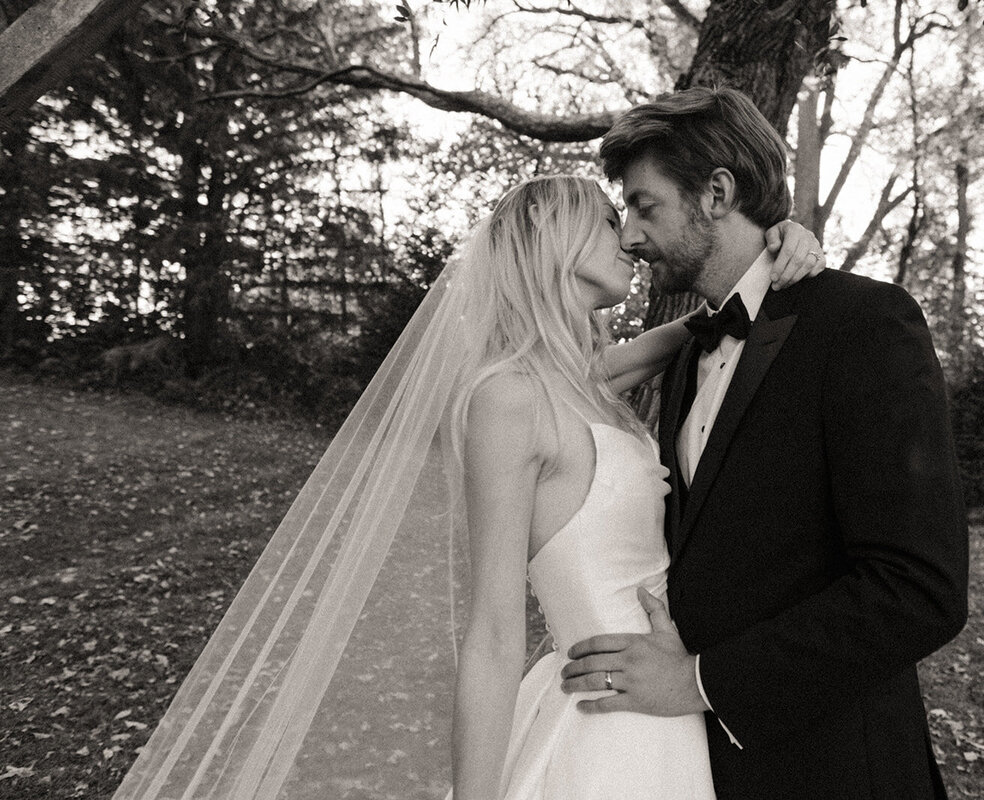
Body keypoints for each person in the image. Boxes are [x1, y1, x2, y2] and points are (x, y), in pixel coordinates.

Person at [110, 174, 823, 800]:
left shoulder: (580, 381)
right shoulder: (507, 399)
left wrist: (777, 246)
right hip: (605, 722)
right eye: (610, 220)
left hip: (669, 703)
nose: (631, 239)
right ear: (556, 237)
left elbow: (710, 325)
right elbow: (490, 629)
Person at [561, 87, 970, 799]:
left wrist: (698, 681)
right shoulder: (689, 355)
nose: (629, 234)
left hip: (839, 770)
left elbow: (919, 590)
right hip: (698, 766)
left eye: (644, 205)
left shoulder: (863, 324)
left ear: (716, 192)